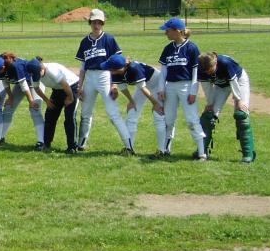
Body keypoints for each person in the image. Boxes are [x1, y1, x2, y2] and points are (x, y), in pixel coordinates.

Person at [74, 8, 134, 155]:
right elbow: (82, 67)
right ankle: (81, 143)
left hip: (105, 76)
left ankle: (129, 146)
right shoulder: (84, 42)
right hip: (90, 78)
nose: (96, 25)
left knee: (113, 113)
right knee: (85, 112)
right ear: (90, 23)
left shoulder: (109, 39)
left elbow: (117, 64)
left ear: (103, 23)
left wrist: (114, 84)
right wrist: (79, 86)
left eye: (99, 22)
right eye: (94, 22)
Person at [158, 17, 207, 160]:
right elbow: (163, 71)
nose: (165, 33)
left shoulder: (192, 48)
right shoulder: (168, 49)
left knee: (192, 119)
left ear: (177, 31)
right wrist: (161, 89)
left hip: (186, 86)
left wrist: (193, 91)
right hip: (170, 86)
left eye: (167, 30)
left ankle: (202, 152)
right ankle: (166, 149)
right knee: (169, 119)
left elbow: (195, 73)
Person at [100, 54, 167, 158]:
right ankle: (129, 149)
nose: (108, 70)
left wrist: (155, 104)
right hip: (143, 88)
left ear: (119, 68)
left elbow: (144, 88)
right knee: (132, 113)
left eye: (110, 68)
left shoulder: (134, 69)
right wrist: (131, 101)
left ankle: (162, 151)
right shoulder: (116, 72)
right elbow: (123, 88)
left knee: (158, 116)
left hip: (156, 84)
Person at [198, 51, 255, 163]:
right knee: (208, 116)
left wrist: (239, 100)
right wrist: (210, 104)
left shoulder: (225, 63)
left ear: (215, 63)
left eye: (210, 69)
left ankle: (248, 155)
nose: (208, 72)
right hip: (221, 85)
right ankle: (202, 151)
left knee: (241, 114)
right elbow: (207, 88)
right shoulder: (201, 68)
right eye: (206, 71)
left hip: (239, 81)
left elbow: (233, 82)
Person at [25, 57, 79, 155]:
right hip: (57, 90)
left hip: (72, 87)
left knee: (69, 117)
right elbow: (37, 89)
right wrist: (47, 101)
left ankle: (72, 146)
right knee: (50, 116)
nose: (37, 77)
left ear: (42, 68)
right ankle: (46, 143)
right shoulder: (35, 74)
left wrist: (70, 98)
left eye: (38, 74)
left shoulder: (52, 70)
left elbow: (65, 84)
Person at [0, 52, 45, 150]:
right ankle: (0, 137)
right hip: (20, 85)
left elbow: (24, 85)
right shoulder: (0, 67)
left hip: (33, 83)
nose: (1, 67)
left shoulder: (16, 66)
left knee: (35, 109)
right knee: (8, 107)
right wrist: (10, 97)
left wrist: (31, 101)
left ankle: (42, 141)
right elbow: (5, 82)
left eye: (2, 66)